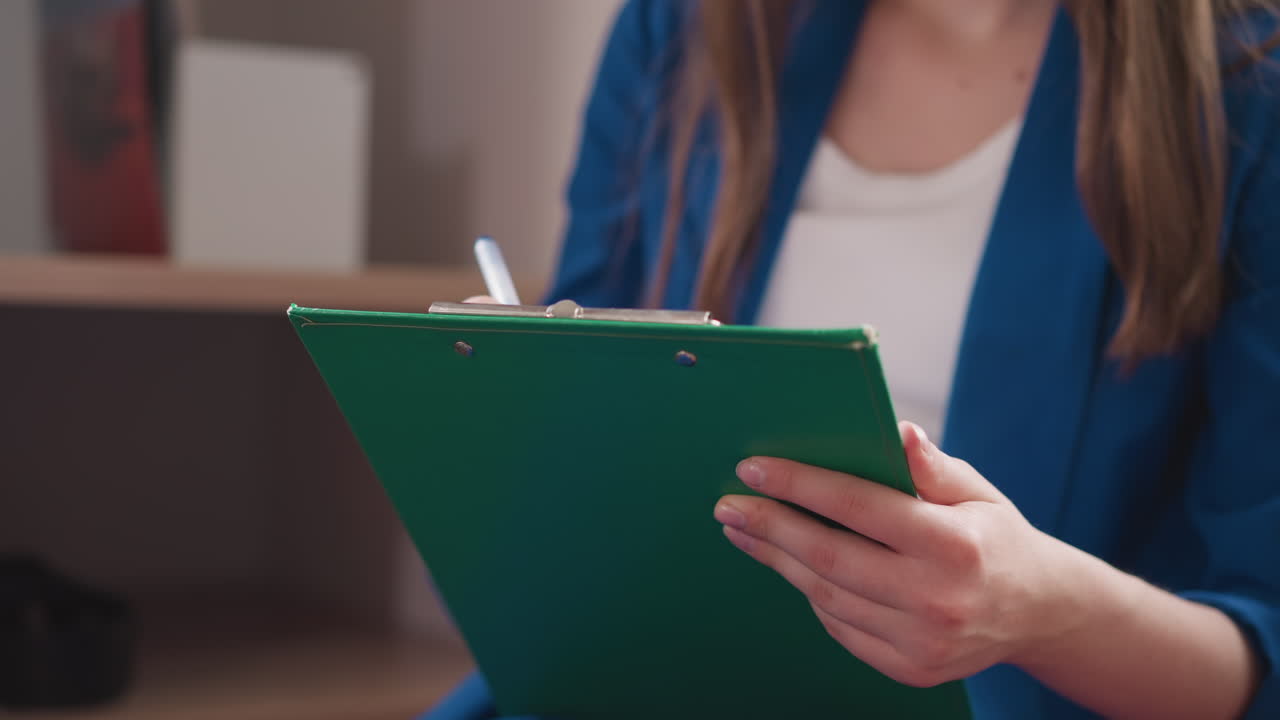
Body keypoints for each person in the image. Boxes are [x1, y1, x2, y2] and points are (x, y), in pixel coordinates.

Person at [427, 1, 1280, 717]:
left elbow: (1258, 645)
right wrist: (508, 402)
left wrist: (1043, 613)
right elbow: (582, 434)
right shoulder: (682, 31)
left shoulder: (1245, 88)